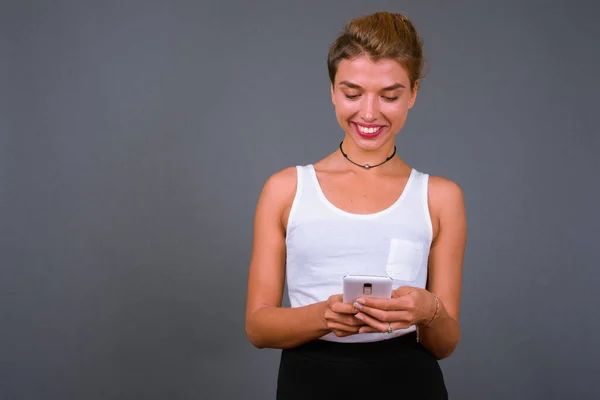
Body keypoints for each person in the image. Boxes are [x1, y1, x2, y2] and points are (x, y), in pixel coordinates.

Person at [245, 11, 466, 400]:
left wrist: (429, 309)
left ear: (413, 93)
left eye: (390, 96)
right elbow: (258, 327)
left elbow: (444, 345)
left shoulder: (440, 197)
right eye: (352, 93)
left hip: (410, 384)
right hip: (309, 383)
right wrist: (323, 317)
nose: (368, 113)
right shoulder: (286, 189)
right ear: (332, 90)